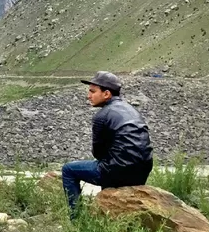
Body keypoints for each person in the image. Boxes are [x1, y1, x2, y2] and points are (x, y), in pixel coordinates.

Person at [61, 71, 153, 217]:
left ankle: (76, 219)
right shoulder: (131, 110)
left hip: (118, 170)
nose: (88, 96)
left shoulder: (102, 116)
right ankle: (110, 213)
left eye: (92, 91)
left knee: (68, 170)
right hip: (143, 170)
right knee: (111, 163)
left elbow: (97, 153)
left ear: (106, 94)